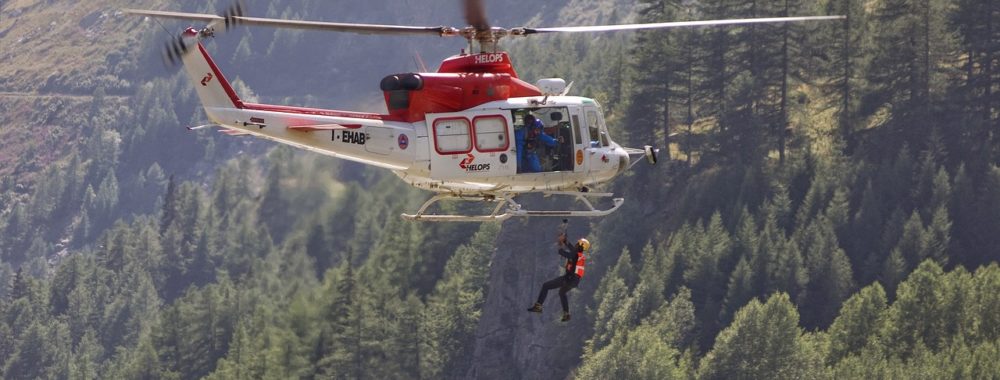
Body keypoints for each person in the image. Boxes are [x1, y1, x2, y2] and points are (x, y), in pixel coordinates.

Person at [527, 234, 589, 322]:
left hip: (569, 278)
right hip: (575, 281)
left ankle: (538, 306)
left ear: (580, 245)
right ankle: (566, 314)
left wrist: (560, 247)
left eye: (577, 243)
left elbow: (568, 254)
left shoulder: (575, 254)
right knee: (562, 292)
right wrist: (565, 241)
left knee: (546, 286)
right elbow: (572, 250)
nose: (575, 244)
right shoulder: (580, 255)